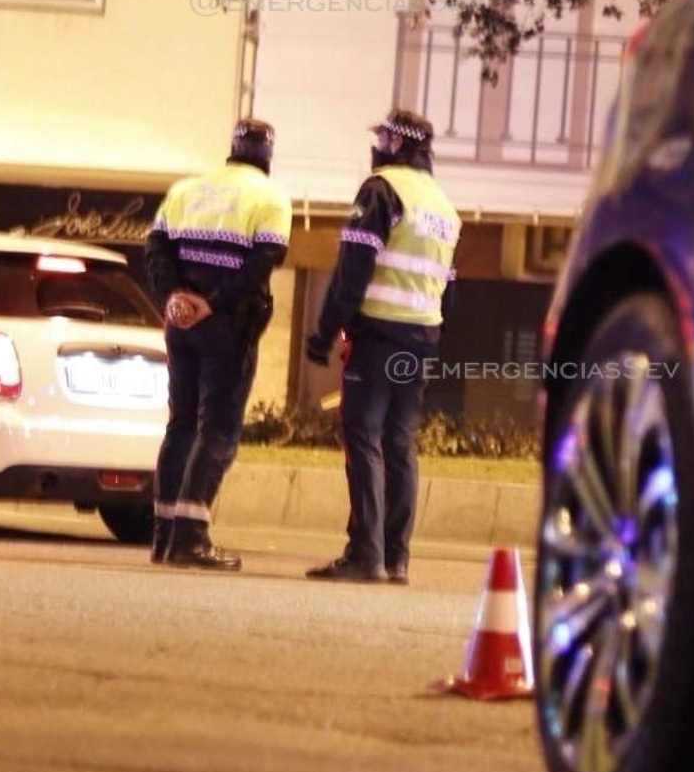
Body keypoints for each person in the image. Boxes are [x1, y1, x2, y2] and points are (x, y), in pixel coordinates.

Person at [303, 110, 460, 584]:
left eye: (384, 137)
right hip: (422, 336)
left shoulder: (380, 191)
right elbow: (447, 287)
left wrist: (325, 332)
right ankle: (396, 558)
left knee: (363, 437)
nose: (378, 145)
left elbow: (353, 269)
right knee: (400, 442)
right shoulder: (442, 207)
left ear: (398, 144)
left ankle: (364, 554)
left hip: (377, 333)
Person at [146, 118, 292, 569]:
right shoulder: (271, 198)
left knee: (182, 424)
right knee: (219, 429)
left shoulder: (186, 190)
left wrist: (175, 299)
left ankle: (165, 537)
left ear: (231, 148)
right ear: (267, 154)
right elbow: (261, 266)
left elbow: (155, 249)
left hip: (182, 324)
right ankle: (191, 538)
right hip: (227, 325)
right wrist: (211, 303)